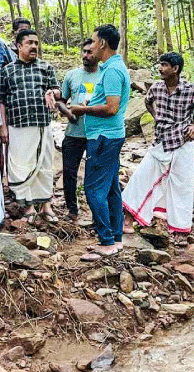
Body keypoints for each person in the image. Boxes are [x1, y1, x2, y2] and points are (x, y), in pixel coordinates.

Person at [121, 52, 194, 245]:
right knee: (141, 177)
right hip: (160, 141)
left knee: (181, 186)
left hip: (182, 143)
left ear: (175, 69)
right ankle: (128, 220)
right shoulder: (156, 88)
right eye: (160, 64)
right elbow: (148, 101)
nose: (160, 68)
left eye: (164, 65)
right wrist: (157, 117)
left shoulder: (190, 90)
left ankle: (180, 232)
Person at [69, 24, 131, 261]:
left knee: (93, 190)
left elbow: (112, 108)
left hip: (104, 137)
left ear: (103, 44)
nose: (91, 46)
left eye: (93, 42)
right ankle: (115, 239)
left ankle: (107, 241)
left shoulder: (113, 71)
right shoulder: (112, 68)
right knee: (112, 188)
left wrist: (82, 109)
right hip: (107, 136)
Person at [0, 29, 61, 224]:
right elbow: (1, 100)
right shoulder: (7, 70)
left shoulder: (46, 67)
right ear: (19, 46)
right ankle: (27, 206)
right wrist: (3, 127)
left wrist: (52, 93)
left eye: (36, 43)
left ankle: (46, 206)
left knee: (43, 165)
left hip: (41, 124)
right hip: (17, 125)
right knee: (20, 165)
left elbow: (58, 90)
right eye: (29, 43)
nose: (34, 46)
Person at [55, 38, 100, 223]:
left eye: (90, 52)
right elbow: (61, 101)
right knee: (69, 173)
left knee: (95, 173)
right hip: (74, 132)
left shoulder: (104, 75)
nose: (86, 55)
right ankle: (72, 211)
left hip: (96, 133)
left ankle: (97, 212)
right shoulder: (72, 75)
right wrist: (69, 114)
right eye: (84, 52)